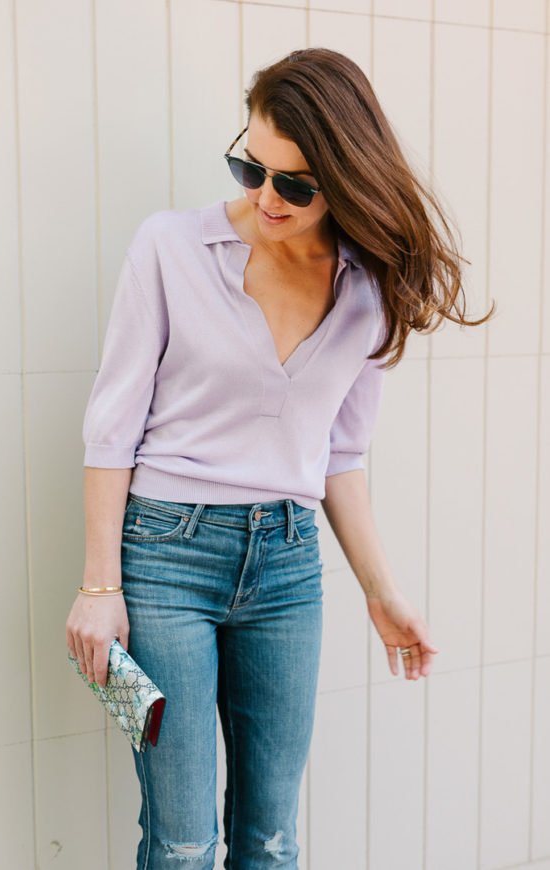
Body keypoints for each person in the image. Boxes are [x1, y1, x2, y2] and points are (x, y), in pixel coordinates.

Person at [66, 48, 493, 870]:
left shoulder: (370, 289)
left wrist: (383, 593)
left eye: (295, 185)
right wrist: (98, 587)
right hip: (160, 561)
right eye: (250, 166)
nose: (265, 197)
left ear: (345, 178)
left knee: (271, 837)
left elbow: (341, 453)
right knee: (183, 838)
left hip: (290, 570)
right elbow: (109, 429)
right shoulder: (168, 248)